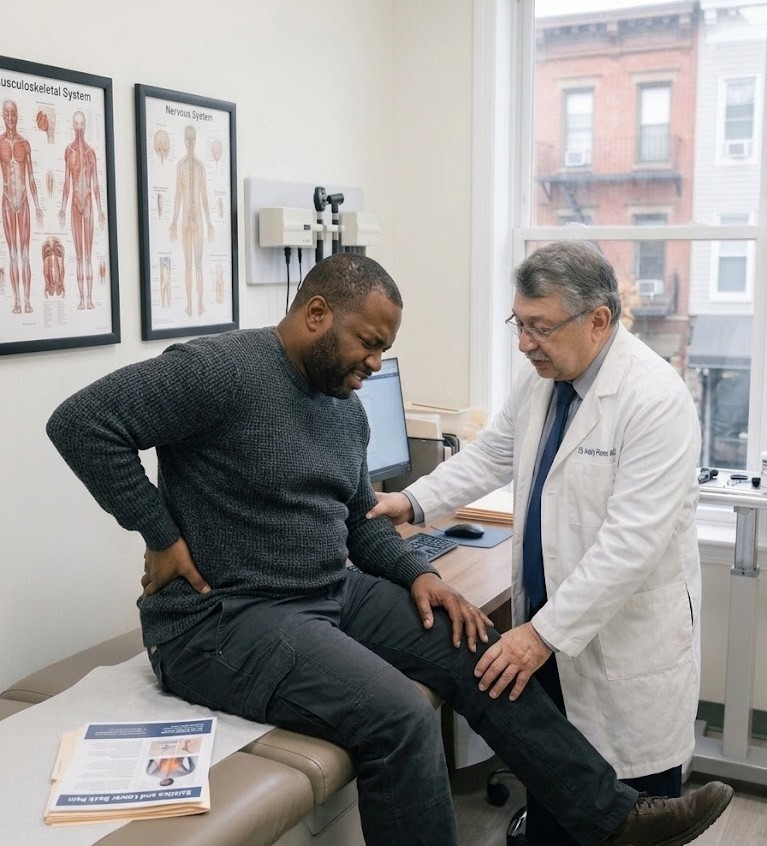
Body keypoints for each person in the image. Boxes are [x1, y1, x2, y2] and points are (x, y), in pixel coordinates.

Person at [47, 253, 731, 846]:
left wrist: (418, 574)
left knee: (478, 647)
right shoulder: (218, 370)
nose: (375, 365)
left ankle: (611, 820)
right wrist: (160, 533)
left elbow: (355, 519)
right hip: (222, 617)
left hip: (323, 594)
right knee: (400, 717)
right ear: (317, 314)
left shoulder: (342, 406)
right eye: (368, 344)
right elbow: (82, 422)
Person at [368, 241, 705, 845]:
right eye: (518, 323)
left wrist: (540, 636)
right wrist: (410, 501)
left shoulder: (654, 399)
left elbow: (629, 546)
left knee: (635, 814)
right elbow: (492, 455)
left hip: (612, 648)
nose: (524, 343)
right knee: (557, 800)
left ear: (598, 320)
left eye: (540, 327)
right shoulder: (544, 381)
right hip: (545, 635)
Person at [58, 110, 106, 311]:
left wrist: (101, 210)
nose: (79, 128)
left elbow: (95, 184)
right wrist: (62, 208)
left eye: (81, 124)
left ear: (85, 126)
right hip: (74, 207)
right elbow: (67, 182)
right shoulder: (69, 151)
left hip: (88, 207)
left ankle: (90, 298)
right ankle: (81, 299)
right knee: (79, 256)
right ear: (73, 126)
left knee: (88, 255)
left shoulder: (91, 153)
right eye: (76, 124)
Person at [0, 99, 44, 315]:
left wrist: (38, 206)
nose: (10, 117)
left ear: (17, 115)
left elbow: (31, 177)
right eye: (7, 113)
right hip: (8, 201)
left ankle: (27, 301)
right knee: (13, 254)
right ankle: (17, 302)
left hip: (24, 201)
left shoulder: (25, 144)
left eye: (13, 113)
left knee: (25, 254)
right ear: (2, 115)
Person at [168, 124, 214, 318]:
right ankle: (188, 304)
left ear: (195, 140)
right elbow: (178, 195)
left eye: (192, 139)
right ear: (184, 141)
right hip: (185, 220)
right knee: (188, 264)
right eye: (187, 139)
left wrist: (209, 222)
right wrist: (174, 221)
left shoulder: (200, 166)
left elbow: (204, 196)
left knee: (198, 264)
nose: (190, 143)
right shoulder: (181, 166)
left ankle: (200, 303)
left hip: (199, 220)